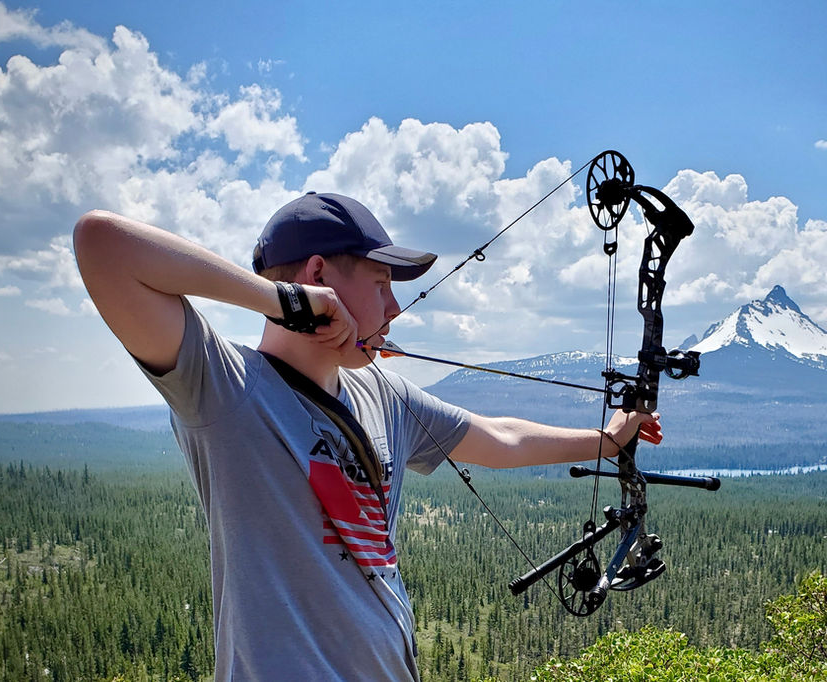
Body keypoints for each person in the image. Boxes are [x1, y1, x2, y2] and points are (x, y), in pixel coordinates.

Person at [73, 191, 660, 681]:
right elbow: (102, 242)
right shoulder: (223, 388)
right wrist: (282, 302)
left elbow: (498, 437)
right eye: (381, 283)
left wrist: (605, 441)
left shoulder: (386, 395)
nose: (395, 307)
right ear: (319, 276)